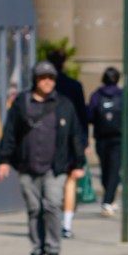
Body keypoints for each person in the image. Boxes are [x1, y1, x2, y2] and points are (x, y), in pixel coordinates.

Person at [0, 60, 86, 255]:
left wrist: (78, 162)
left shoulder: (64, 104)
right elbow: (10, 132)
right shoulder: (22, 102)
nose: (47, 82)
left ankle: (54, 250)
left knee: (53, 205)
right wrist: (3, 160)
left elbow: (75, 134)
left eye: (50, 78)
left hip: (55, 166)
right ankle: (37, 251)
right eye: (42, 78)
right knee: (34, 209)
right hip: (27, 165)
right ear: (35, 80)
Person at [47, 49, 87, 239]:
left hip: (48, 139)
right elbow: (82, 116)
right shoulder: (74, 86)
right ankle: (66, 224)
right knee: (69, 182)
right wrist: (83, 142)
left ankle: (52, 222)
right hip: (70, 138)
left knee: (48, 181)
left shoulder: (44, 86)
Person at [87, 67, 124, 217]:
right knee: (114, 170)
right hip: (119, 137)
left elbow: (89, 115)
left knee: (105, 169)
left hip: (101, 137)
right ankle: (109, 200)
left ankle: (109, 199)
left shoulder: (97, 95)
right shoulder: (123, 95)